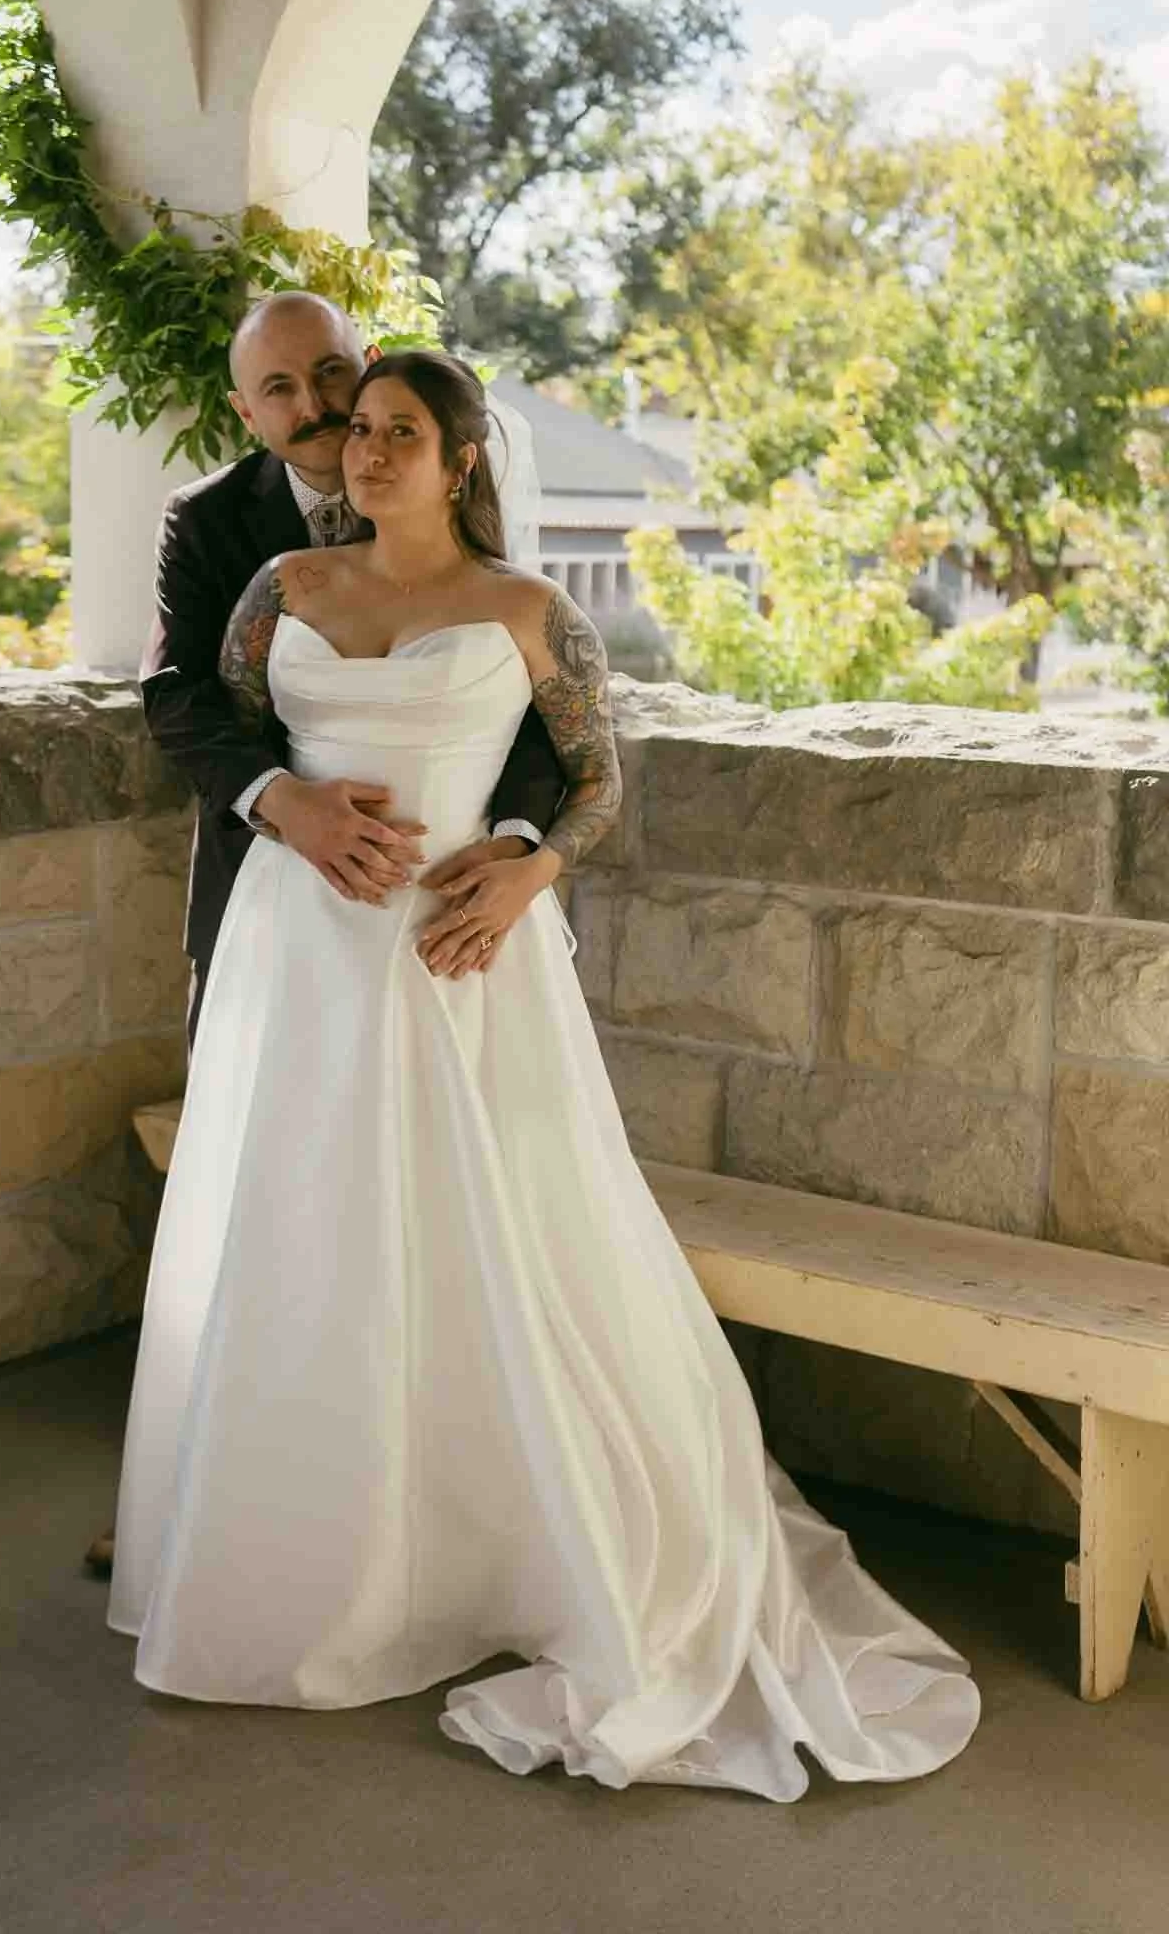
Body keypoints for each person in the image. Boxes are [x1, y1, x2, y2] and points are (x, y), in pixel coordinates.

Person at [104, 349, 980, 1798]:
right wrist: (292, 801)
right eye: (359, 430)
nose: (368, 451)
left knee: (485, 1238)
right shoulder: (279, 592)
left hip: (460, 961)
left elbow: (597, 778)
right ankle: (296, 1555)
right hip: (296, 951)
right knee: (297, 1226)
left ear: (460, 460)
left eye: (401, 432)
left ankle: (494, 1539)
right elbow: (226, 727)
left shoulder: (528, 609)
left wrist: (525, 868)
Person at [82, 293, 563, 1574]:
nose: (319, 411)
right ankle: (205, 1490)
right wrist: (278, 796)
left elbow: (541, 737)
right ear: (246, 410)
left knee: (443, 1216)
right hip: (275, 913)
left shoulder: (491, 570)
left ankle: (441, 1505)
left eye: (332, 377)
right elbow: (179, 694)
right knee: (258, 1206)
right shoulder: (217, 529)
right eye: (281, 391)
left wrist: (519, 856)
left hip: (446, 936)